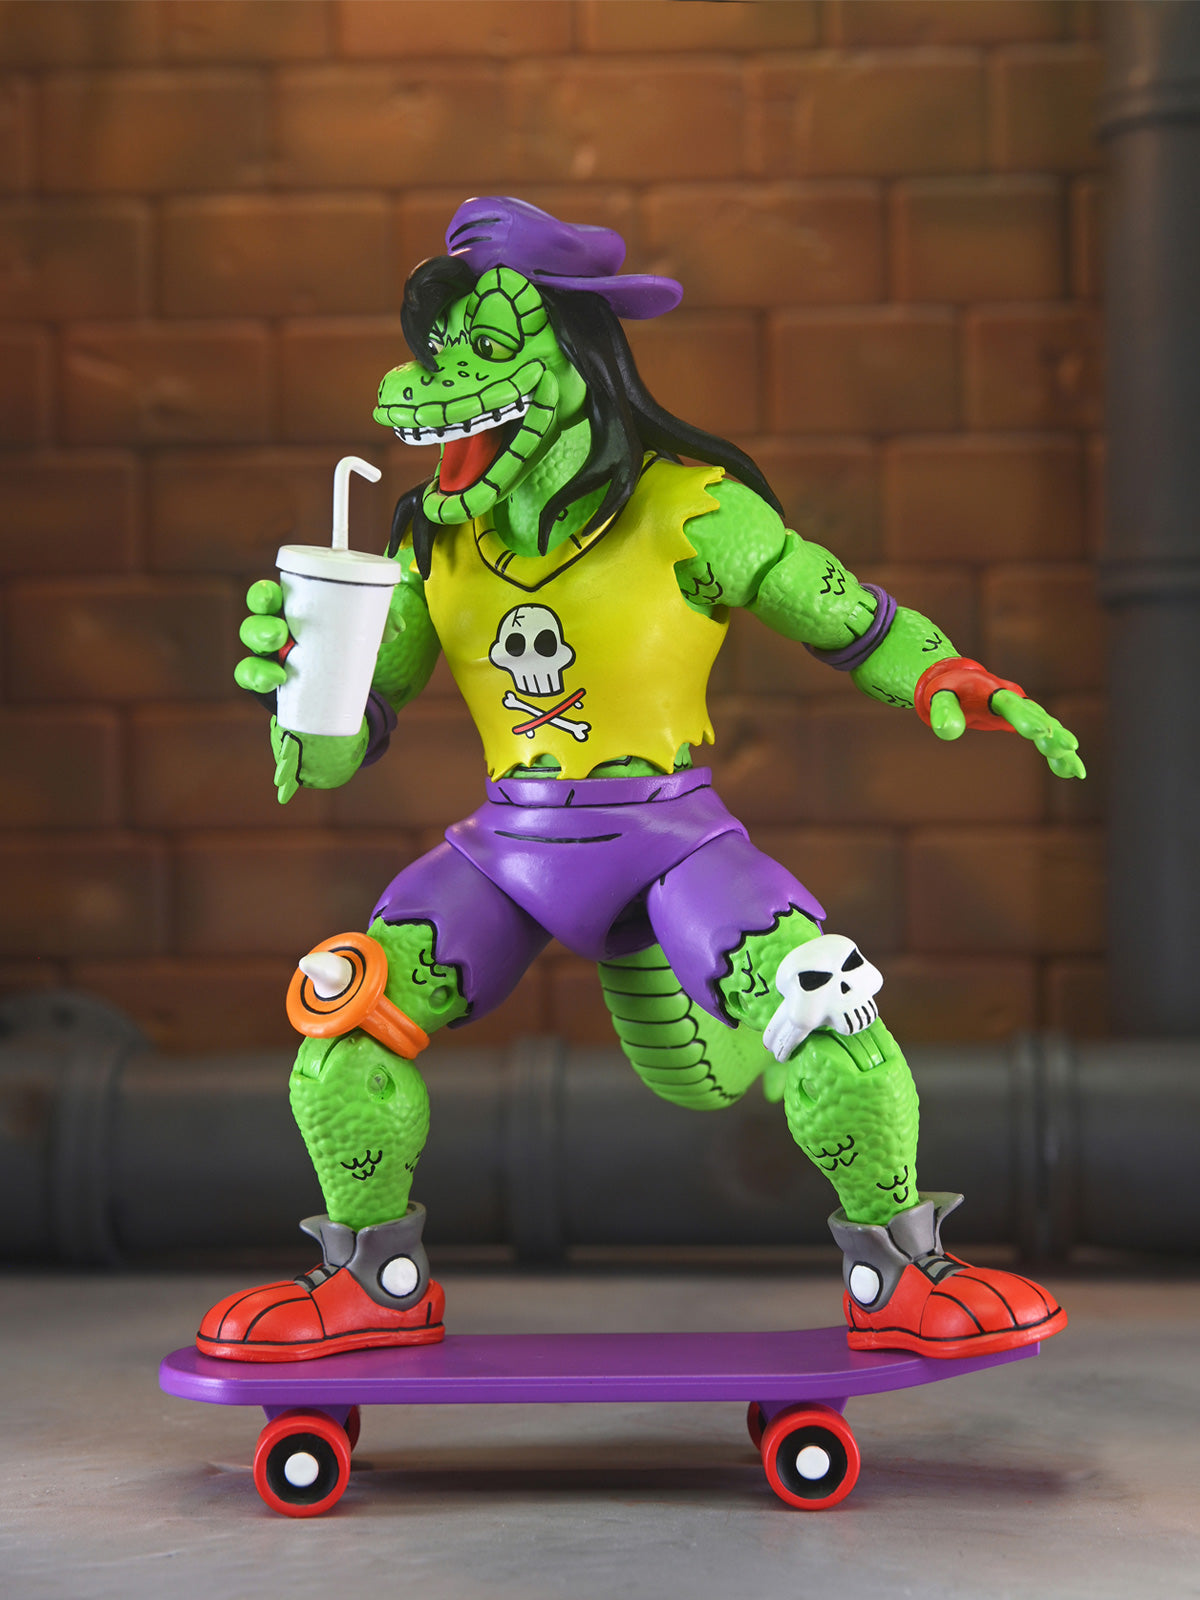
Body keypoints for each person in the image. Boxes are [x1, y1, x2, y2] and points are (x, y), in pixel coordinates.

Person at [199, 197, 1082, 1364]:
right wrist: (298, 697)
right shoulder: (432, 546)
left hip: (673, 840)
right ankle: (374, 1280)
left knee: (826, 1008)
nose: (449, 378)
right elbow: (345, 741)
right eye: (441, 350)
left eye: (489, 345)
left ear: (577, 356)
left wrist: (947, 675)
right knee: (344, 1018)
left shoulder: (694, 508)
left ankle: (903, 1271)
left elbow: (846, 616)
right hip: (507, 848)